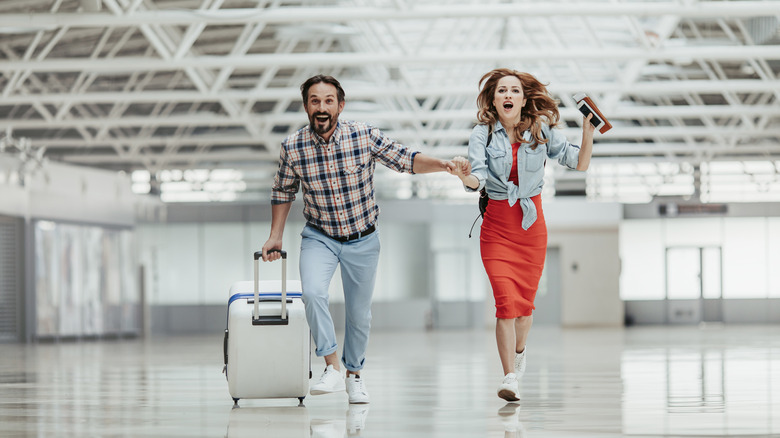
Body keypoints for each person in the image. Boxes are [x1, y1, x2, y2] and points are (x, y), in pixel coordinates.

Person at [261, 74, 460, 404]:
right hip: (319, 235)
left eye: (328, 101)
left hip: (363, 239)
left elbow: (405, 159)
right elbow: (283, 190)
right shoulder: (293, 147)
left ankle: (354, 375)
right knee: (311, 291)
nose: (321, 107)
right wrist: (275, 236)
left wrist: (443, 165)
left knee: (359, 315)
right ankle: (332, 366)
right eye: (314, 101)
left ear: (340, 106)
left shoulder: (363, 136)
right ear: (306, 106)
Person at [450, 68, 595, 402]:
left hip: (531, 227)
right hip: (497, 227)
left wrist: (588, 130)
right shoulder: (482, 134)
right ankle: (509, 377)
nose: (508, 96)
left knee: (524, 308)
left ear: (524, 98)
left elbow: (580, 163)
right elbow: (478, 180)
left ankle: (519, 350)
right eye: (502, 91)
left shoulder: (541, 130)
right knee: (505, 303)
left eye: (514, 90)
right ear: (494, 99)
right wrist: (463, 177)